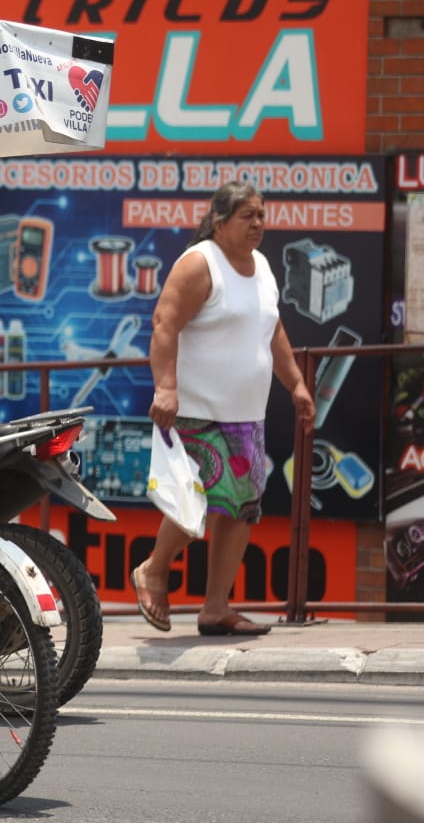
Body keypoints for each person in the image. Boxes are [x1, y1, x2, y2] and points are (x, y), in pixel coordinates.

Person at [132, 181, 315, 636]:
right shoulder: (200, 263)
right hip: (198, 408)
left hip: (247, 413)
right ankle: (153, 571)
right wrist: (167, 387)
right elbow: (164, 322)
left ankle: (216, 608)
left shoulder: (263, 267)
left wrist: (295, 384)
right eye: (247, 216)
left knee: (240, 507)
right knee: (197, 496)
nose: (258, 224)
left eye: (261, 215)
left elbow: (271, 330)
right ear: (219, 220)